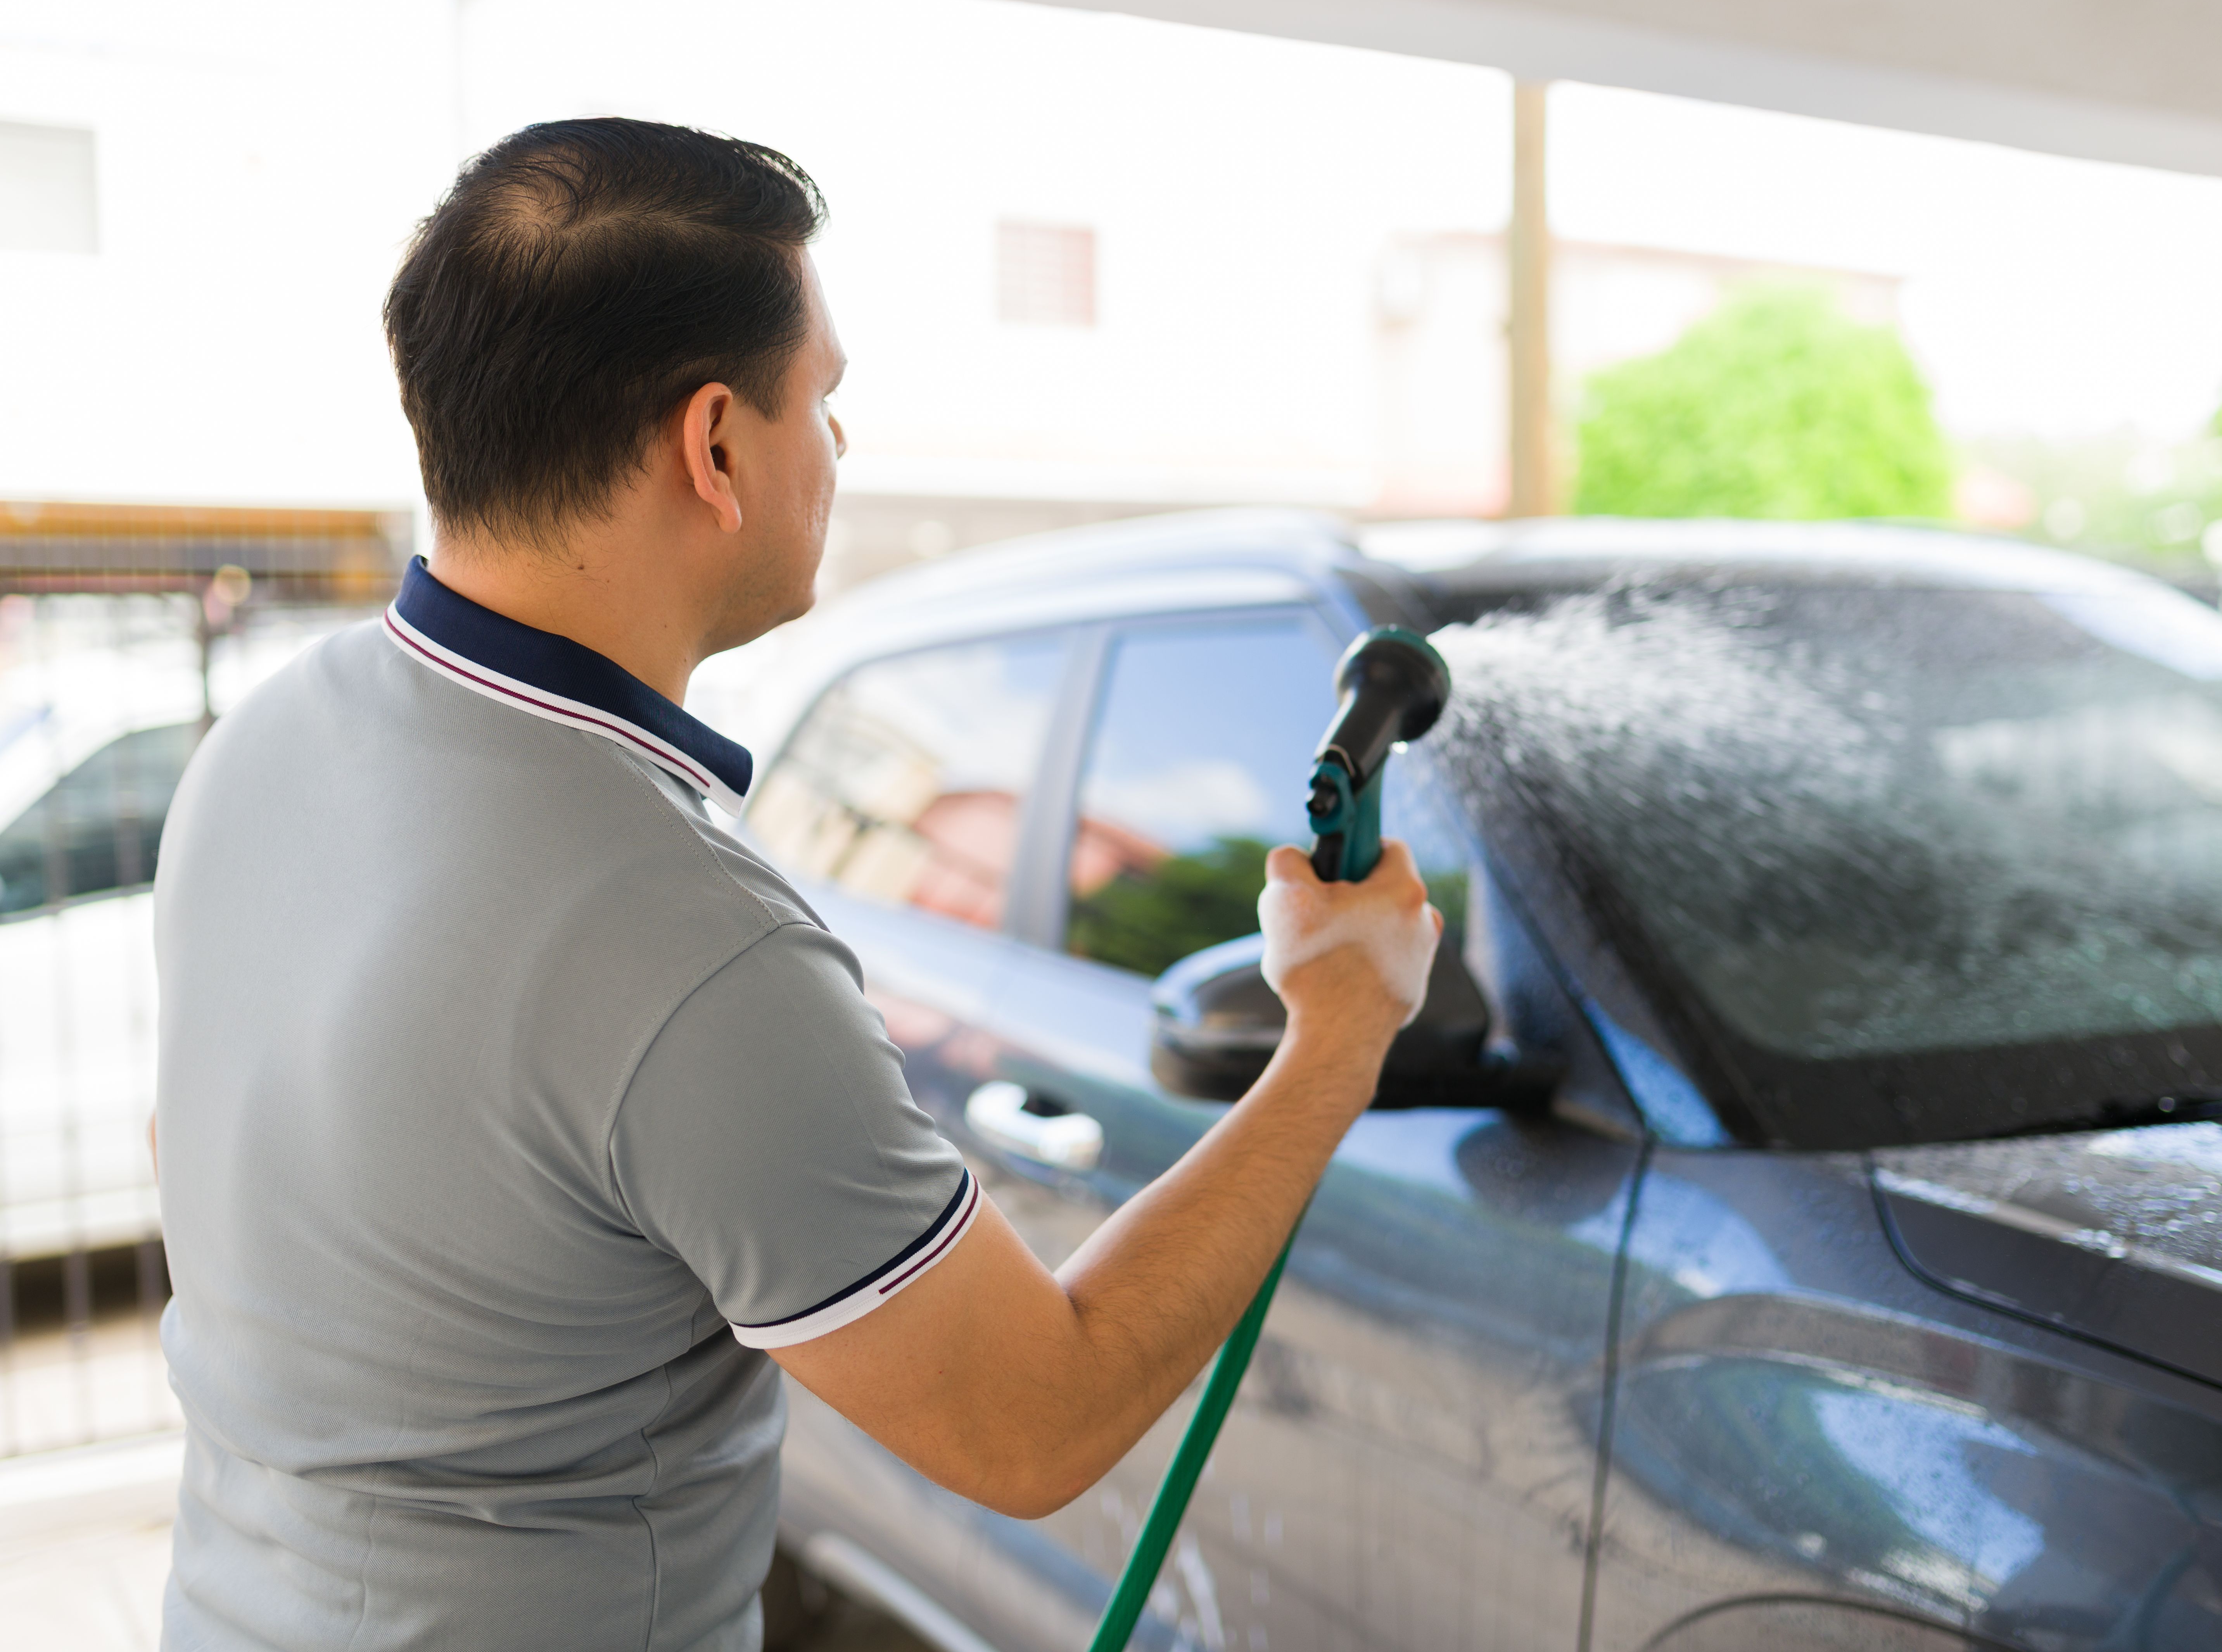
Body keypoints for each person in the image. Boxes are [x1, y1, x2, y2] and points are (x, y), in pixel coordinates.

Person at [150, 118, 1441, 1650]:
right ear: (714, 448)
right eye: (825, 400)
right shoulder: (681, 938)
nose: (838, 447)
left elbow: (210, 1161)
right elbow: (1034, 1423)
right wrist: (1337, 1037)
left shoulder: (272, 739)